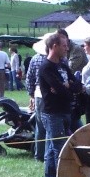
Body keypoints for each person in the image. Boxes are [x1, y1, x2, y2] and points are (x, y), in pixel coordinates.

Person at [39, 32, 82, 177]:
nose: (67, 48)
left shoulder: (63, 65)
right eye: (64, 45)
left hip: (66, 110)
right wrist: (65, 87)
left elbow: (77, 86)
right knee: (60, 148)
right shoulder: (46, 67)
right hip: (52, 113)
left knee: (52, 149)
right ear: (54, 46)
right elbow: (58, 89)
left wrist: (68, 85)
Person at [26, 35, 51, 163]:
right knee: (49, 126)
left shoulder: (35, 59)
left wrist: (31, 95)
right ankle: (47, 155)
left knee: (40, 126)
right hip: (50, 95)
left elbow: (29, 78)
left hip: (38, 94)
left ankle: (39, 154)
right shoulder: (55, 60)